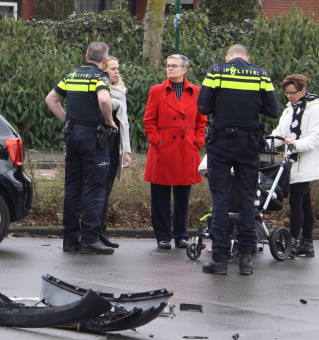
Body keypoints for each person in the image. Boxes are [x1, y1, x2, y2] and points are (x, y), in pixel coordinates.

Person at [197, 44, 281, 275]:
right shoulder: (261, 74)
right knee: (246, 200)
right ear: (247, 57)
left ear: (227, 58)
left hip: (221, 143)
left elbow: (203, 106)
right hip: (249, 144)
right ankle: (245, 259)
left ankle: (221, 259)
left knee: (221, 200)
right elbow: (274, 110)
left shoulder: (216, 71)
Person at [45, 42, 118, 255]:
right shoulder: (99, 77)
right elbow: (104, 99)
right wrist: (109, 121)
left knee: (73, 188)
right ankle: (89, 238)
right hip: (93, 138)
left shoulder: (72, 76)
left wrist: (67, 120)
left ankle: (70, 239)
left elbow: (51, 99)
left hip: (73, 137)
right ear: (104, 61)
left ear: (86, 56)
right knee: (94, 188)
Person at [269, 74, 319, 258]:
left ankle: (292, 242)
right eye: (286, 93)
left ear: (303, 90)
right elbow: (280, 133)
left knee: (296, 201)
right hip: (293, 161)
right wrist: (264, 143)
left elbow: (316, 137)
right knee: (305, 203)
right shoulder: (289, 109)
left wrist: (295, 144)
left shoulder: (314, 108)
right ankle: (307, 243)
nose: (290, 96)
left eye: (293, 92)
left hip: (305, 162)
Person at [143, 54, 207, 250]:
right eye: (168, 66)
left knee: (182, 196)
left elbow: (202, 121)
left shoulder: (197, 92)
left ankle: (181, 235)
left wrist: (197, 141)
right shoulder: (157, 91)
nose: (169, 69)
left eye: (173, 66)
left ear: (184, 69)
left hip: (186, 148)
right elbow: (149, 120)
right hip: (163, 148)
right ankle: (162, 235)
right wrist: (157, 140)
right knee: (160, 195)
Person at [99, 56, 133, 249]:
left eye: (118, 68)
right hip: (102, 144)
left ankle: (102, 230)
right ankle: (96, 230)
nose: (116, 72)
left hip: (115, 146)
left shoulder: (120, 92)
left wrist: (126, 151)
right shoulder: (100, 93)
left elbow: (125, 123)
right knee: (100, 190)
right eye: (112, 69)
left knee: (107, 190)